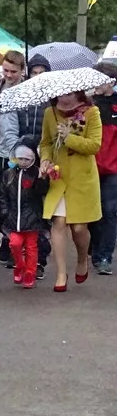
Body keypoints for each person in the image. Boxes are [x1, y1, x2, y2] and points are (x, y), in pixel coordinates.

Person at [39, 90, 102, 291]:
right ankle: (60, 273)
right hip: (58, 177)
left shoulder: (92, 112)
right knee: (58, 222)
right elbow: (46, 143)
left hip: (82, 179)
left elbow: (94, 145)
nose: (63, 98)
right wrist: (45, 159)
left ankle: (82, 259)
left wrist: (69, 137)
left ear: (78, 94)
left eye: (69, 94)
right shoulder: (50, 113)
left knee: (79, 228)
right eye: (60, 94)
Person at [0, 51, 27, 251]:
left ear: (22, 70)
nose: (9, 75)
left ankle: (11, 244)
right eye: (5, 70)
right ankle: (6, 234)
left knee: (14, 202)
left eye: (13, 71)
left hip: (17, 155)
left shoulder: (29, 92)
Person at [0, 137, 49, 288]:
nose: (23, 162)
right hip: (14, 218)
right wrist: (5, 211)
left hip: (32, 219)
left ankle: (30, 272)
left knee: (31, 248)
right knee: (14, 244)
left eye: (27, 159)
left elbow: (41, 192)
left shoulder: (35, 173)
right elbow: (2, 194)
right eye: (20, 158)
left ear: (33, 158)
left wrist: (42, 178)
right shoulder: (9, 174)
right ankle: (19, 266)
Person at [91, 62, 117, 274]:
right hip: (90, 166)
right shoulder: (89, 105)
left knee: (109, 211)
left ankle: (105, 255)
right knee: (93, 213)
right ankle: (95, 249)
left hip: (113, 169)